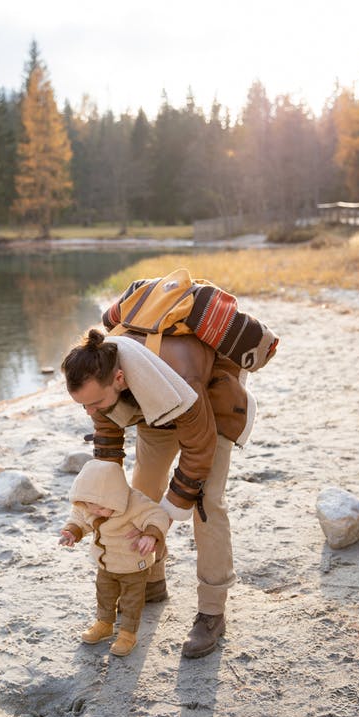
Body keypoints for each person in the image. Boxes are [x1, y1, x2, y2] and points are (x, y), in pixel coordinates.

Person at [61, 278, 273, 658]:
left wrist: (166, 518)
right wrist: (97, 504)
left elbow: (199, 448)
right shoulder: (102, 374)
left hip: (206, 405)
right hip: (151, 412)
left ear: (120, 379)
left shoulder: (182, 377)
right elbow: (108, 450)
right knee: (140, 492)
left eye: (94, 404)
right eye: (84, 407)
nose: (90, 412)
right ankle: (151, 577)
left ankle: (211, 611)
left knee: (206, 503)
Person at [59, 458, 170, 657]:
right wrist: (72, 532)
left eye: (100, 508)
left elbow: (156, 514)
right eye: (90, 506)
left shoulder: (135, 502)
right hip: (106, 563)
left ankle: (128, 633)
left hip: (133, 565)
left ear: (115, 496)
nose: (94, 511)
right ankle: (104, 624)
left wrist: (151, 534)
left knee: (131, 601)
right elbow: (78, 518)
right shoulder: (90, 503)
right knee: (104, 595)